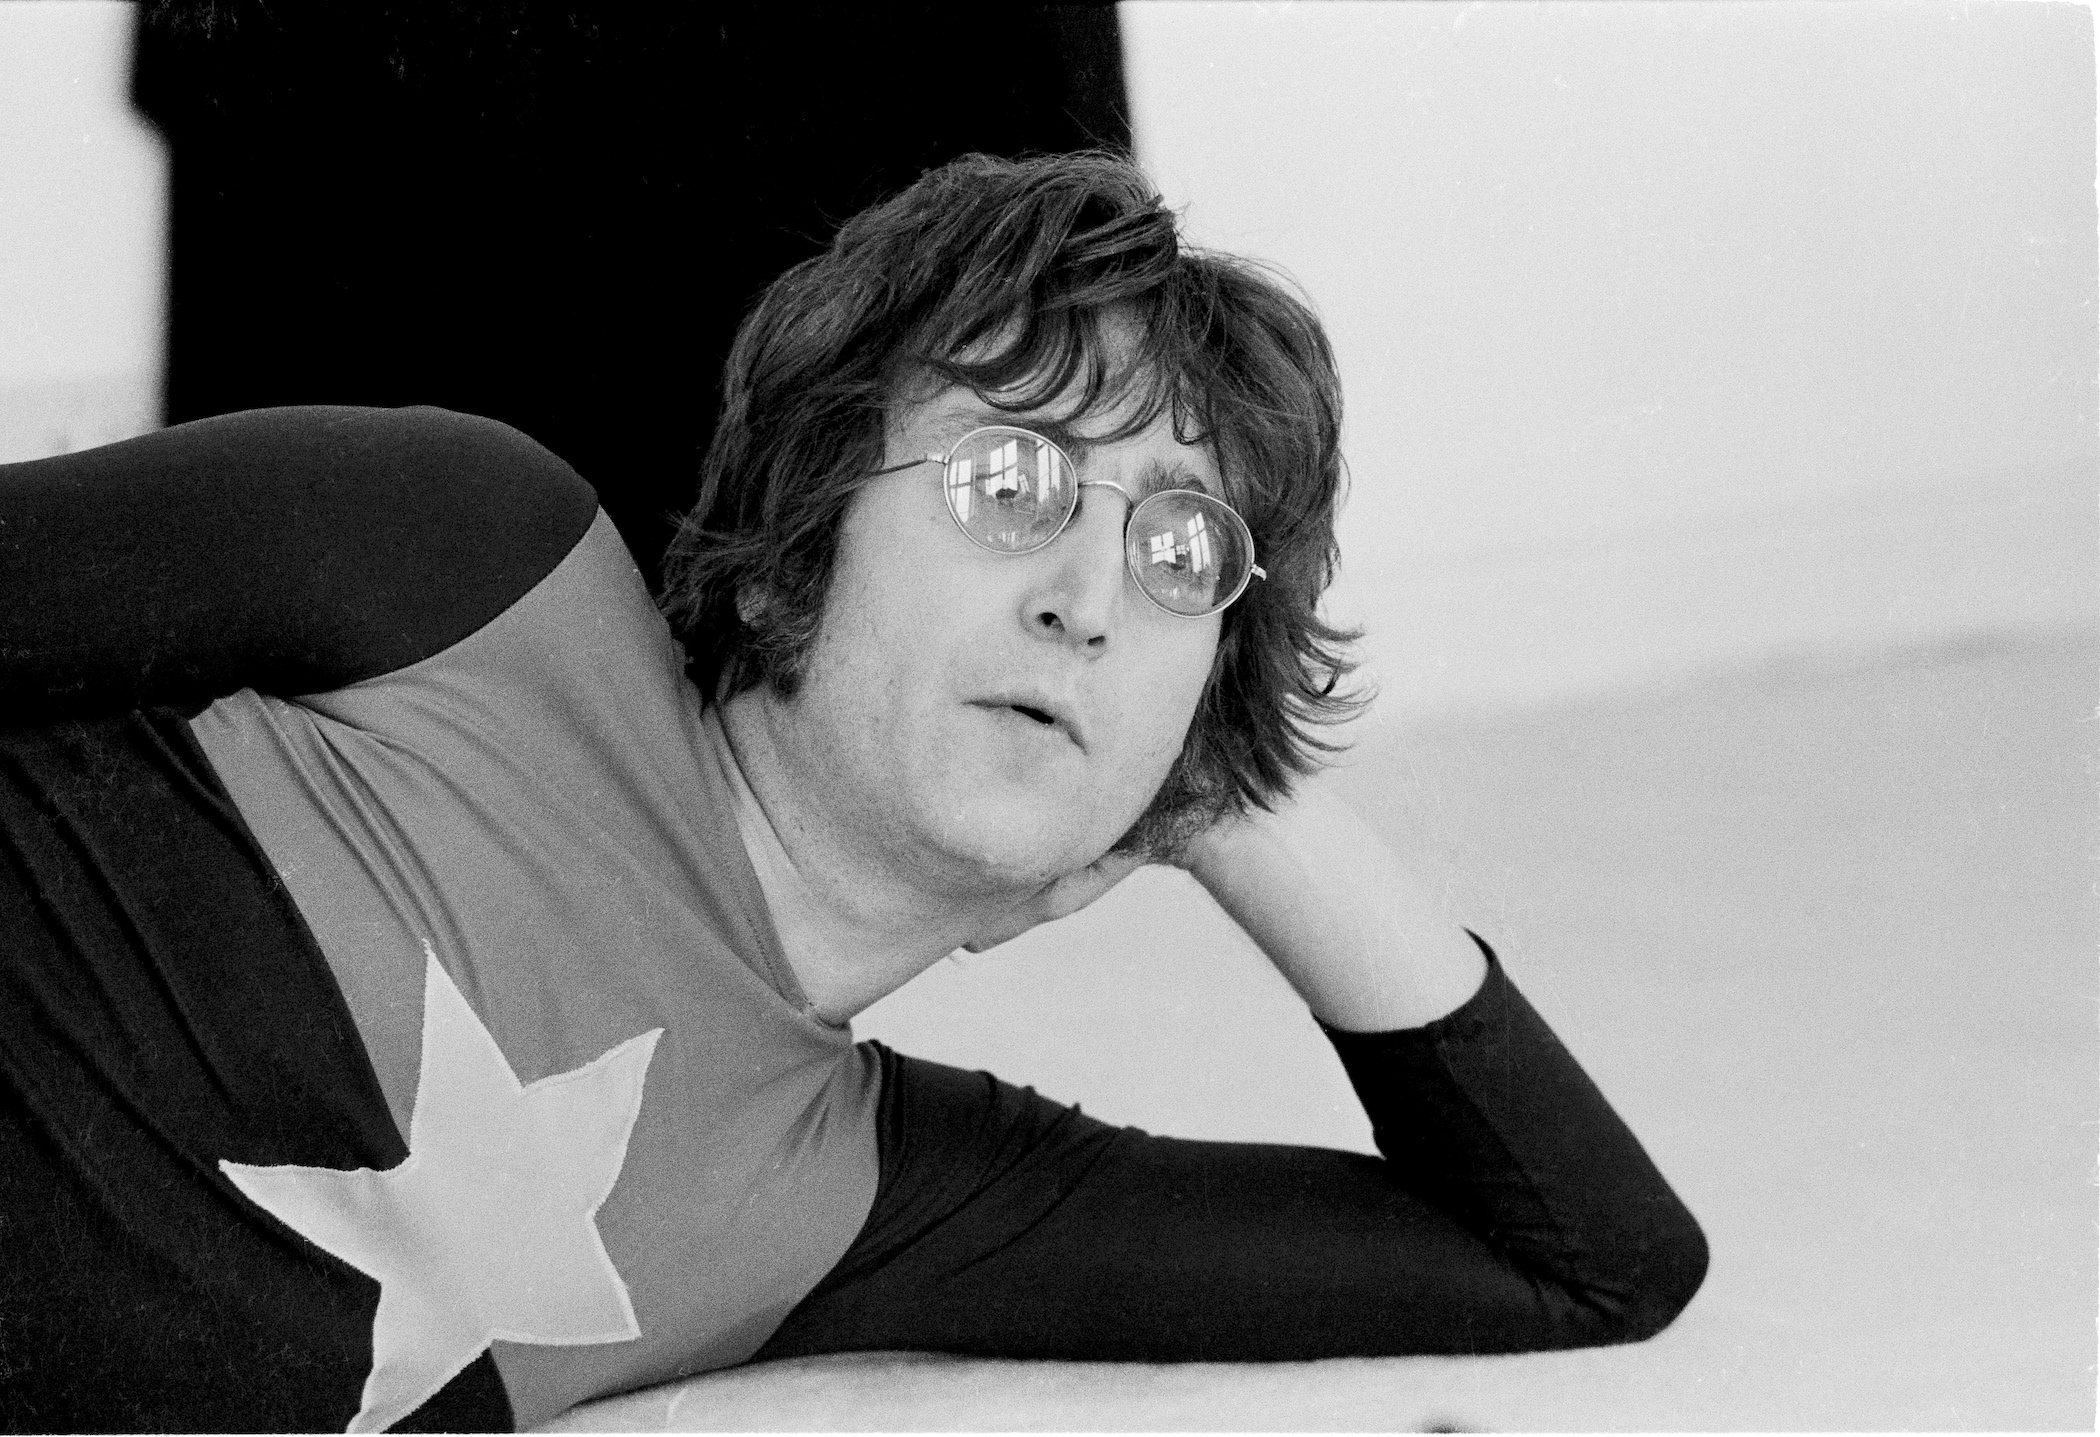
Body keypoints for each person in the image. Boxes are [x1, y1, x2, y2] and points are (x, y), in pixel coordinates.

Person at [0, 151, 1706, 1433]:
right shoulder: (468, 574)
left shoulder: (874, 1200)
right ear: (790, 548)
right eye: (1010, 482)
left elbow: (1585, 1256)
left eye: (1180, 549)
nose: (1089, 599)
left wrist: (1220, 781)